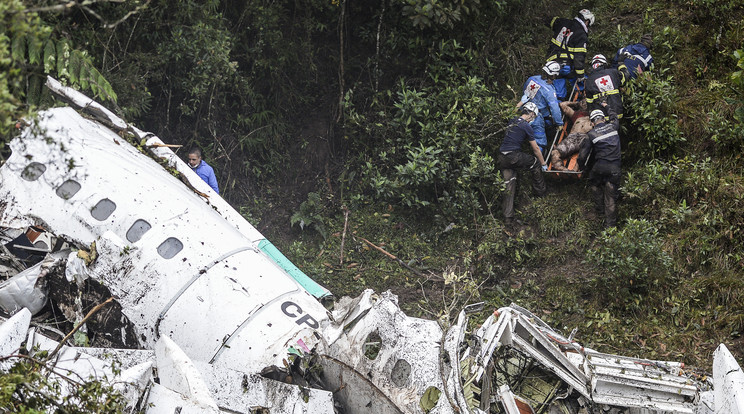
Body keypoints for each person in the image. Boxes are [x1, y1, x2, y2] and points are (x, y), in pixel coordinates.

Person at [499, 102, 548, 227]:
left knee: (509, 184)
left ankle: (508, 219)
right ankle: (541, 194)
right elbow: (536, 149)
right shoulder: (526, 126)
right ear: (531, 114)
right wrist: (543, 163)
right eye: (534, 116)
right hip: (512, 156)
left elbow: (512, 111)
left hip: (502, 157)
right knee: (535, 163)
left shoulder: (512, 120)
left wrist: (520, 102)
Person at [577, 103, 621, 228]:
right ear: (604, 118)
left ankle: (599, 209)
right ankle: (610, 227)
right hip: (615, 168)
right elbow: (615, 116)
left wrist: (583, 168)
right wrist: (607, 105)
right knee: (611, 196)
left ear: (592, 122)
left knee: (594, 184)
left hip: (599, 167)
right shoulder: (613, 126)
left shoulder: (591, 135)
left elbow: (582, 156)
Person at [546, 9, 594, 101]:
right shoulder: (581, 34)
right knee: (583, 85)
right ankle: (580, 106)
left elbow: (549, 20)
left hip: (552, 64)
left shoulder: (562, 22)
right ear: (587, 21)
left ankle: (558, 111)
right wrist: (580, 76)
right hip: (567, 67)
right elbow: (579, 57)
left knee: (558, 94)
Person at [517, 61, 564, 153]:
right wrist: (559, 123)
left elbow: (526, 94)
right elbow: (555, 109)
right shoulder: (549, 90)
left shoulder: (532, 79)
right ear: (554, 75)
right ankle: (539, 163)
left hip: (523, 111)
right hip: (536, 117)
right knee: (540, 142)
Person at [550, 99, 591, 171]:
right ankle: (562, 169)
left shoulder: (595, 115)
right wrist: (575, 103)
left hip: (584, 137)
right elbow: (562, 104)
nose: (584, 104)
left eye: (586, 102)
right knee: (554, 153)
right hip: (572, 138)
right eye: (582, 102)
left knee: (585, 150)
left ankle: (575, 169)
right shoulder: (576, 114)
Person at [585, 54, 628, 118]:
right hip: (617, 112)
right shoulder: (613, 72)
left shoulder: (589, 80)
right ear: (605, 64)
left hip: (602, 117)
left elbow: (589, 102)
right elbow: (626, 76)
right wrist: (621, 63)